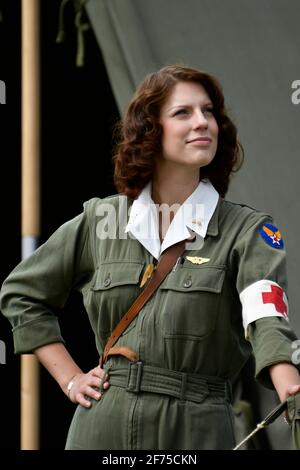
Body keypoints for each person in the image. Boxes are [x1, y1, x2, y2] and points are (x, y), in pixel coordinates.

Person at [1, 64, 300, 450]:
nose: (203, 122)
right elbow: (22, 293)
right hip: (103, 423)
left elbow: (267, 317)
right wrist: (70, 378)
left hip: (198, 426)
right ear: (150, 130)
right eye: (184, 113)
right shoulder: (101, 220)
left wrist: (289, 385)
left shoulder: (248, 230)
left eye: (209, 112)